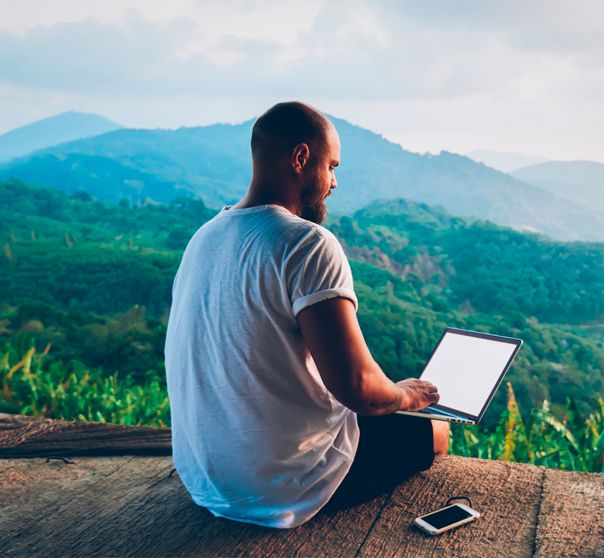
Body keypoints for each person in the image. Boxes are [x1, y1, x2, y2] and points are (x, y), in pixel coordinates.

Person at [164, 101, 449, 529]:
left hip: (205, 479)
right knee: (436, 431)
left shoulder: (204, 237)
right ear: (300, 158)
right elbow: (357, 388)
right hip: (278, 487)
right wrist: (408, 396)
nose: (333, 182)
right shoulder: (307, 243)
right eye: (331, 166)